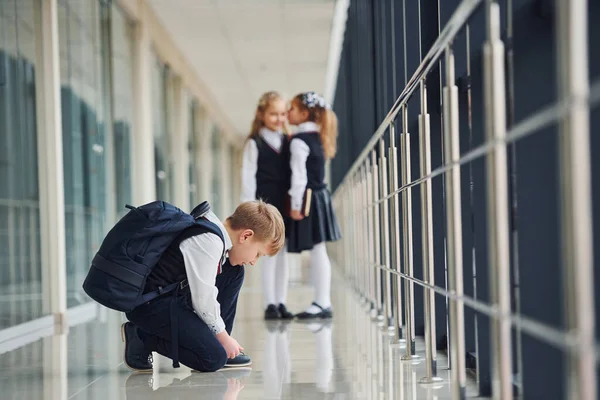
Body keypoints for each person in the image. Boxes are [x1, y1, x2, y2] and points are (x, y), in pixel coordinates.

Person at [121, 200, 285, 373]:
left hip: (172, 297)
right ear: (246, 236)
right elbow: (203, 299)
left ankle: (218, 344)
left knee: (234, 271)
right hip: (151, 306)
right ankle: (141, 335)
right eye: (258, 254)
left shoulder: (214, 231)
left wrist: (222, 337)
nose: (253, 261)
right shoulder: (209, 241)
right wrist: (223, 338)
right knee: (213, 359)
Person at [286, 91, 341, 319]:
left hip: (308, 198)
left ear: (304, 113)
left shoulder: (299, 141)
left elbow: (299, 177)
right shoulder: (319, 136)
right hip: (320, 195)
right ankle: (322, 301)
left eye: (292, 109)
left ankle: (322, 302)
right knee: (319, 250)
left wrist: (296, 204)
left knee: (318, 250)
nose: (288, 113)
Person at [241, 91, 294, 320]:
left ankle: (281, 301)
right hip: (265, 205)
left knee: (283, 255)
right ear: (262, 115)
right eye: (274, 114)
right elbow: (247, 176)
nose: (279, 118)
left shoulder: (289, 142)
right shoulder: (255, 143)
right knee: (268, 254)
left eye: (283, 114)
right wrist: (249, 209)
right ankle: (270, 303)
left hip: (285, 203)